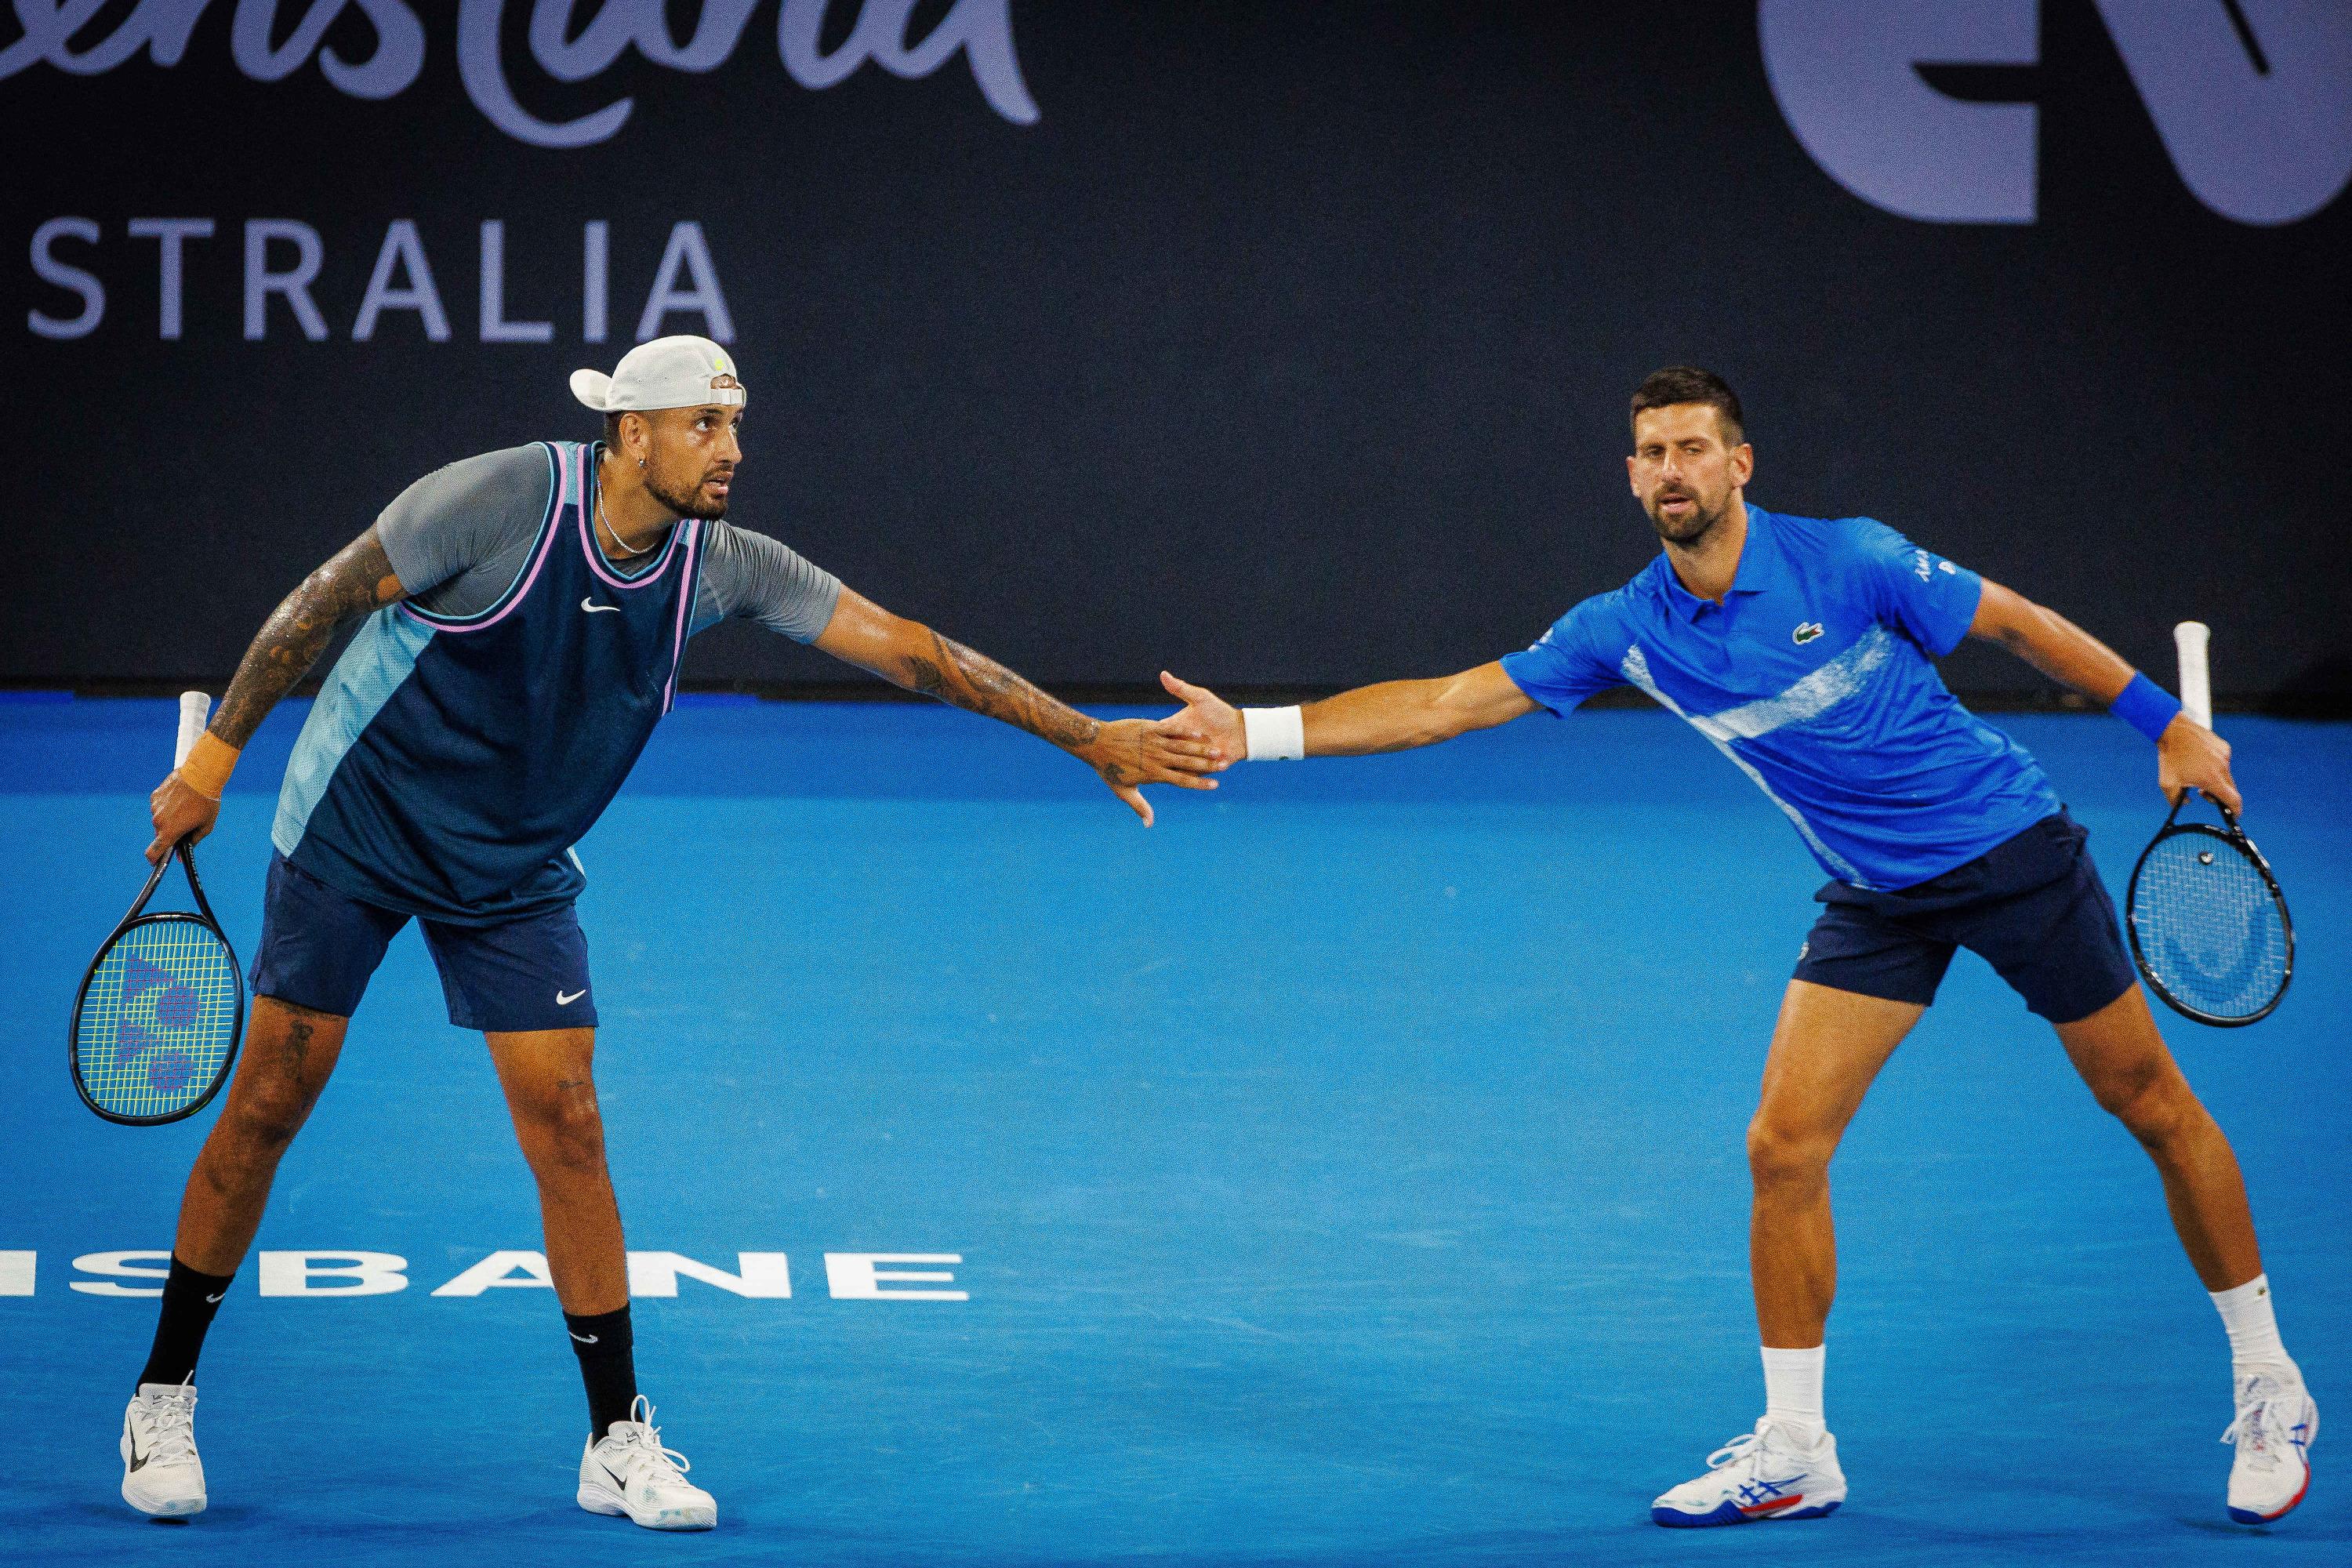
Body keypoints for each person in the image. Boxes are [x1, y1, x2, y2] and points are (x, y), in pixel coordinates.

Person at [1154, 366, 2314, 1528]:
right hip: (1875, 898)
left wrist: (2162, 723)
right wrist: (1253, 735)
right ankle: (1799, 1447)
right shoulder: (1627, 628)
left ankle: (2269, 1382)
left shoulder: (1852, 560)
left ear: (1739, 464)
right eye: (1652, 453)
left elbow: (2016, 625)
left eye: (1694, 449)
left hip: (2010, 854)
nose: (1672, 471)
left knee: (2151, 1103)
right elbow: (1449, 702)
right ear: (1631, 475)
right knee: (1782, 1147)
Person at [123, 336, 1219, 1529]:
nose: (733, 450)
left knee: (571, 1122)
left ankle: (614, 1440)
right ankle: (163, 1392)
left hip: (514, 864)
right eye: (707, 425)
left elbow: (911, 650)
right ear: (632, 433)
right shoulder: (497, 500)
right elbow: (324, 601)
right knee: (274, 1103)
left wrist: (1089, 737)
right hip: (359, 827)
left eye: (736, 426)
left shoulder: (723, 566)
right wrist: (215, 764)